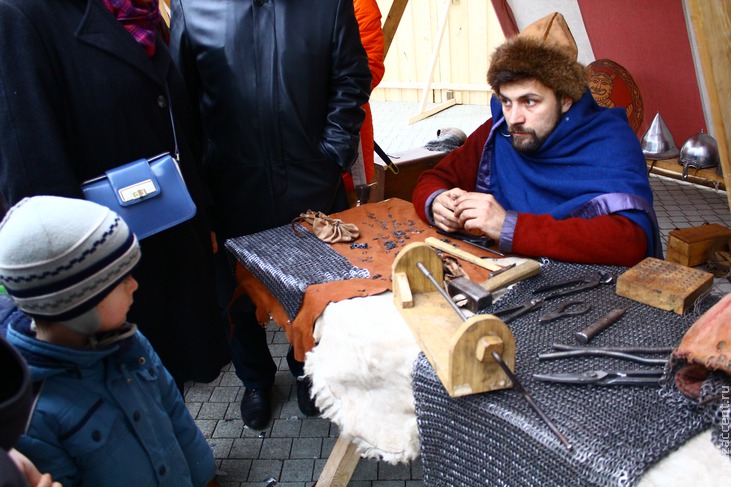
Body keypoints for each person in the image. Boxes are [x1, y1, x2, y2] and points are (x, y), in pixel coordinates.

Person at [0, 0, 230, 390]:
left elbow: (175, 123)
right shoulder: (21, 14)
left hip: (173, 229)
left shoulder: (141, 11)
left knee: (171, 382)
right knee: (134, 388)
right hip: (106, 265)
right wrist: (81, 287)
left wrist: (202, 216)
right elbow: (32, 165)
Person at [170, 0, 372, 429]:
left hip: (310, 182)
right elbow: (180, 99)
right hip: (230, 185)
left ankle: (305, 371)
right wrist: (200, 185)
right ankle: (255, 380)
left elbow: (351, 78)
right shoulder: (192, 5)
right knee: (240, 294)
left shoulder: (329, 5)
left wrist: (330, 156)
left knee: (314, 288)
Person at [412, 12, 661, 267]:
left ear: (565, 99)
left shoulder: (611, 142)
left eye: (529, 101)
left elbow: (629, 240)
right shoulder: (499, 131)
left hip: (591, 288)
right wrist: (436, 202)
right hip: (506, 276)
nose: (515, 117)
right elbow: (434, 179)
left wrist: (510, 227)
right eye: (507, 101)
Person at [0, 196, 217, 487]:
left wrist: (203, 474)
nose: (135, 284)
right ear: (78, 305)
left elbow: (174, 411)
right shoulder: (35, 417)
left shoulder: (129, 340)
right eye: (121, 280)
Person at [343, 0, 385, 201]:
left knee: (350, 208)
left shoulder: (360, 4)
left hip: (345, 127)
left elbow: (369, 72)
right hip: (298, 134)